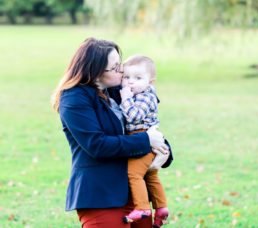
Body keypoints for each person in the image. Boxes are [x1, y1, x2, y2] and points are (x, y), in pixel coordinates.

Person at [51, 38, 171, 228]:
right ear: (96, 71)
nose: (122, 71)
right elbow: (97, 145)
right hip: (101, 196)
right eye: (115, 68)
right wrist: (147, 140)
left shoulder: (118, 90)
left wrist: (164, 150)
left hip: (136, 193)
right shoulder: (74, 99)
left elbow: (144, 124)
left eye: (120, 64)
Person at [120, 55, 169, 227]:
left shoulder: (146, 96)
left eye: (138, 78)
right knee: (151, 175)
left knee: (134, 174)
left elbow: (134, 117)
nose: (130, 82)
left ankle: (142, 208)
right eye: (126, 77)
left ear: (151, 81)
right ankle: (161, 207)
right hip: (141, 138)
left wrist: (125, 98)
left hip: (142, 137)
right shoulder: (138, 92)